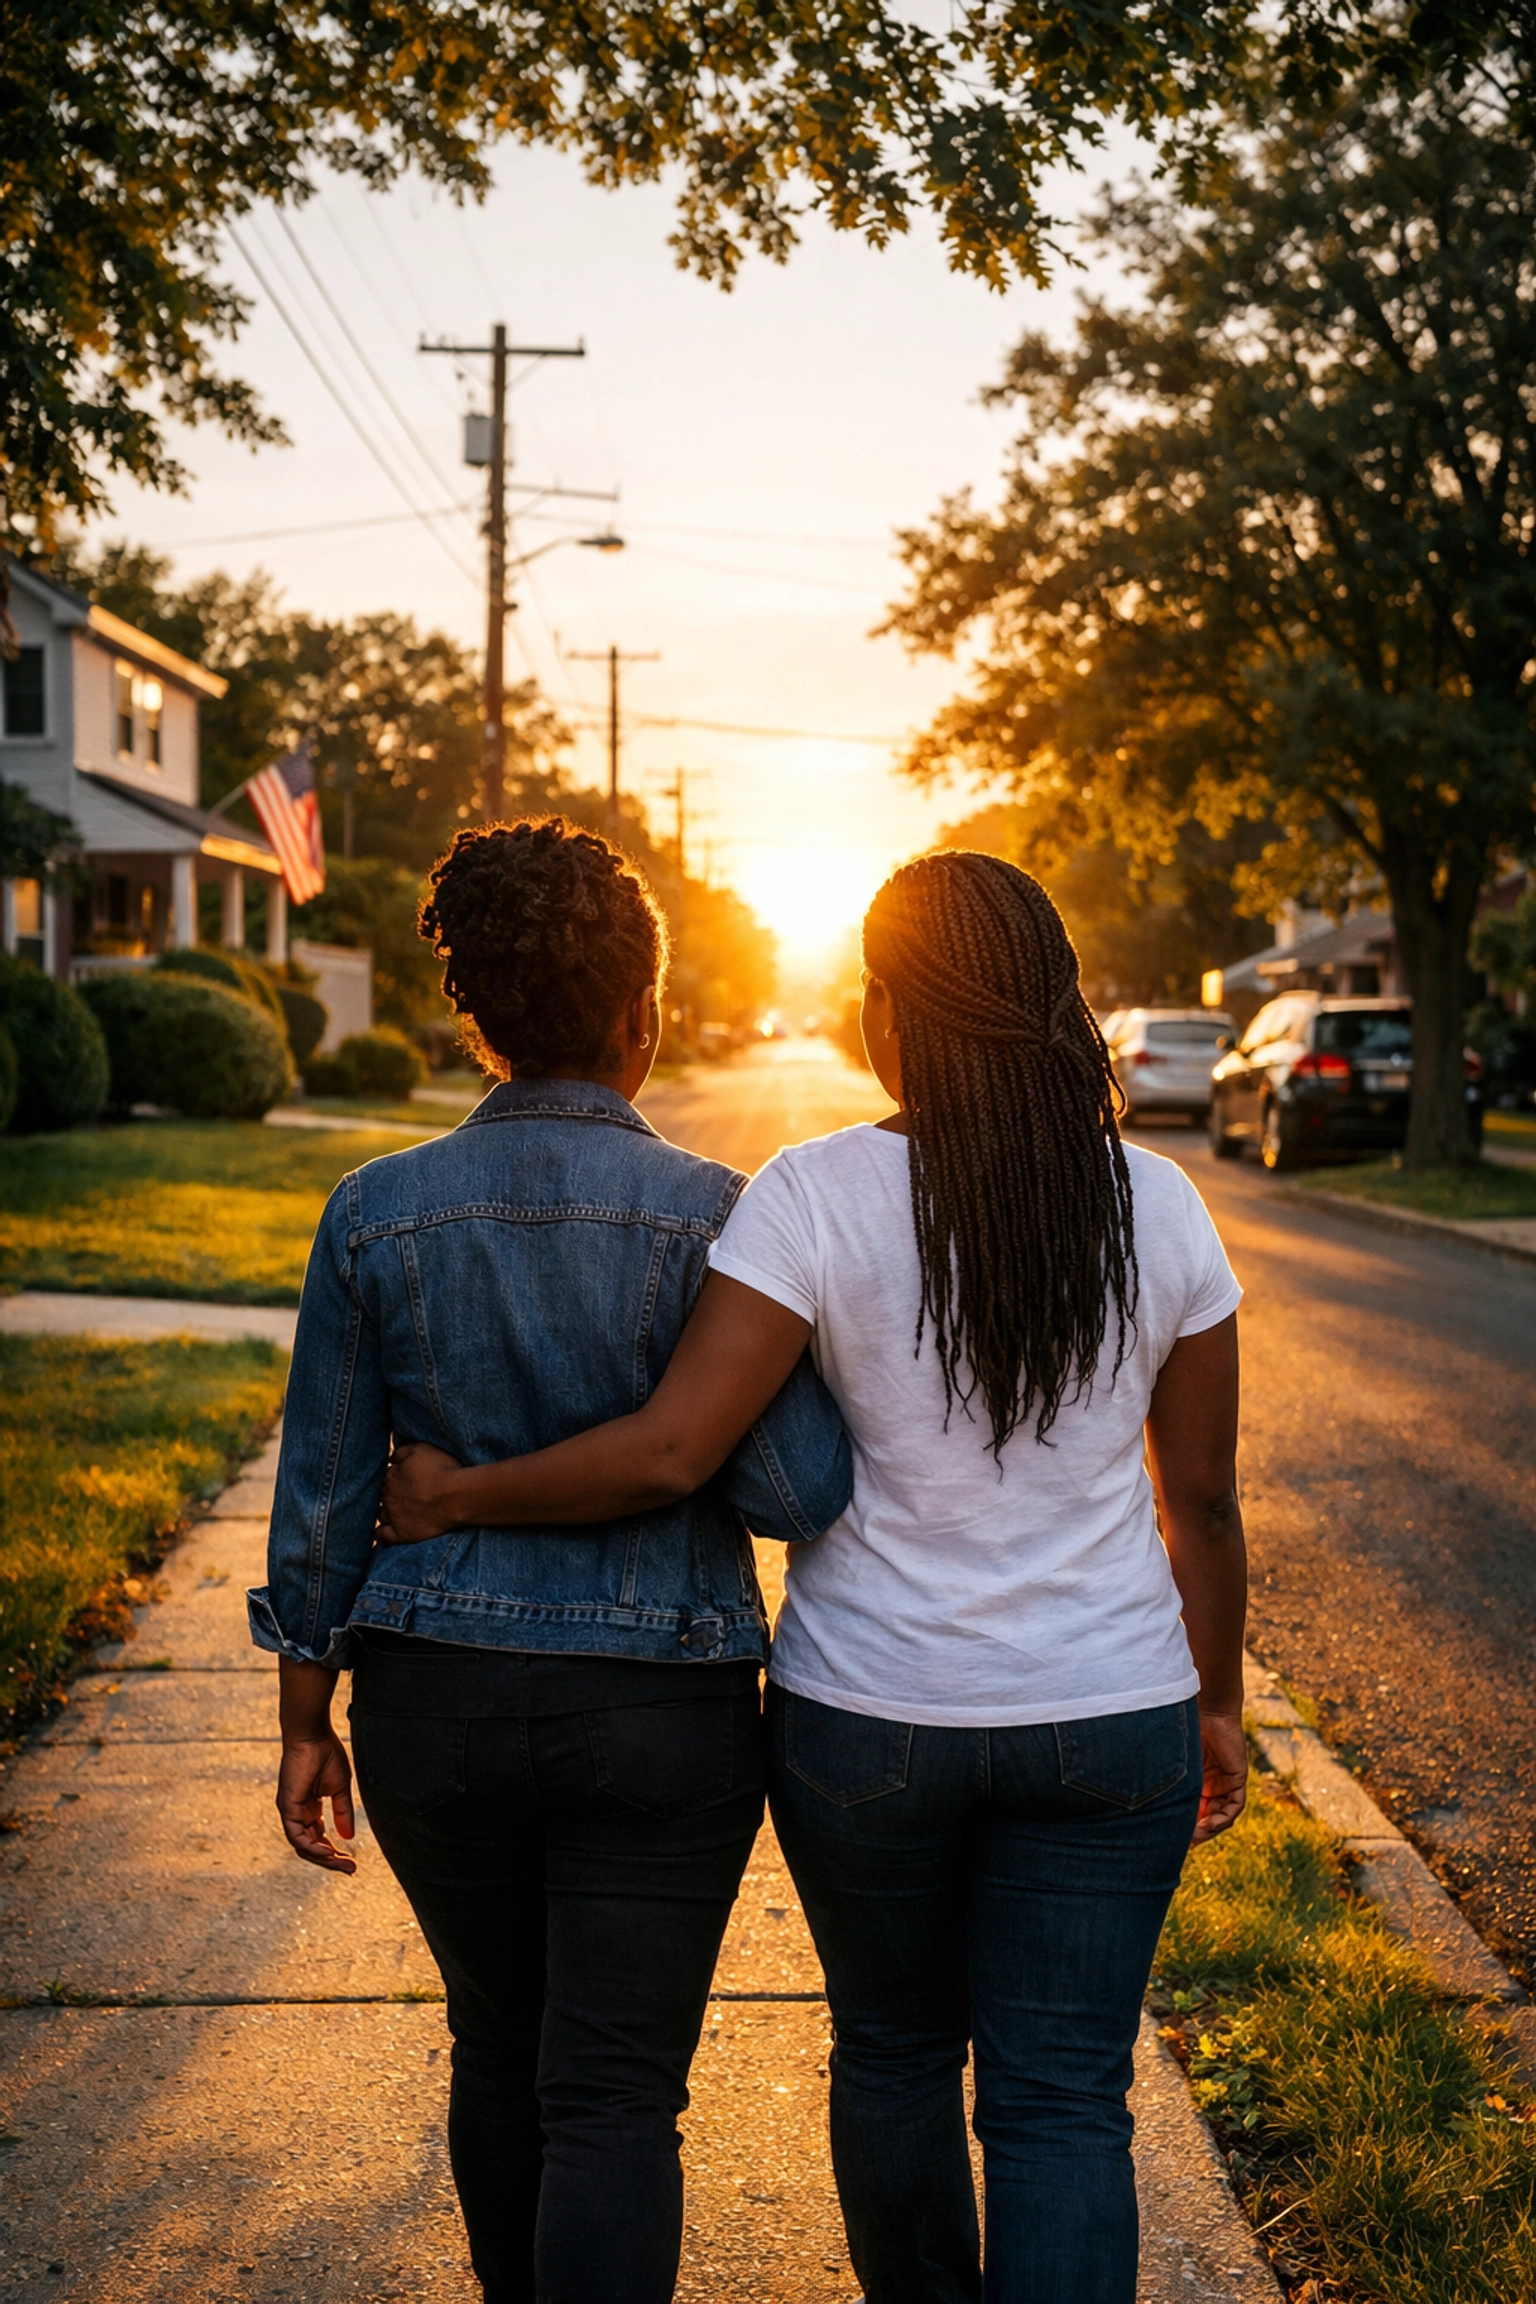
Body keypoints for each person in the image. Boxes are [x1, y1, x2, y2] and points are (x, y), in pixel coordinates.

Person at [379, 850, 1250, 2304]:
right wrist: (1214, 1705)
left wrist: (462, 1492)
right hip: (1111, 1718)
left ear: (892, 1015)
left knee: (896, 2057)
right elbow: (1205, 1504)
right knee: (1061, 2108)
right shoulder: (1159, 1206)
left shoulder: (814, 1196)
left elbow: (672, 1450)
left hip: (870, 1729)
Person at [249, 818, 852, 2304]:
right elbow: (794, 1486)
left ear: (476, 1021)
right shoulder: (722, 1216)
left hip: (433, 1708)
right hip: (662, 1714)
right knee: (613, 2095)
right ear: (641, 1014)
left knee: (495, 2048)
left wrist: (303, 1715)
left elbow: (324, 1492)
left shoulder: (376, 1211)